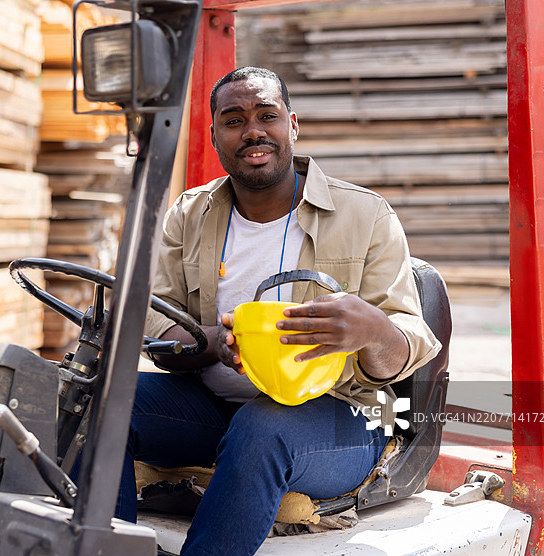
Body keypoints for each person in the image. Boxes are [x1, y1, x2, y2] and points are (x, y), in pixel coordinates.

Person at [120, 67, 441, 556]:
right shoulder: (190, 213)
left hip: (341, 420)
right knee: (100, 399)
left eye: (267, 115)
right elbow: (157, 320)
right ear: (214, 136)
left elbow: (407, 342)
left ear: (292, 125)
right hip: (211, 409)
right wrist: (213, 345)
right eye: (234, 119)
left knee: (262, 426)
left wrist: (371, 329)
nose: (253, 130)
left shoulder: (366, 215)